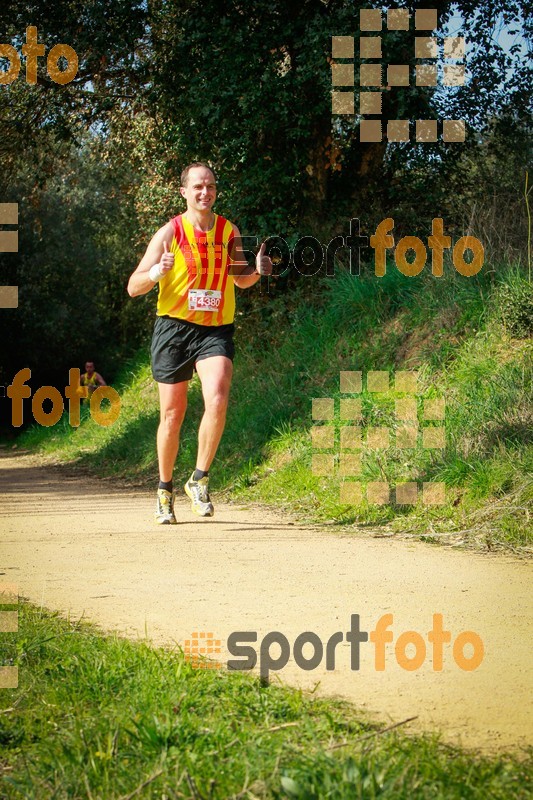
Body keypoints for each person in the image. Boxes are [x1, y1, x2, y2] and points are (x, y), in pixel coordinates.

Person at [127, 162, 272, 524]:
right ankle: (164, 489)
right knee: (172, 415)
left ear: (215, 191)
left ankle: (200, 479)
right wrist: (158, 271)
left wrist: (258, 271)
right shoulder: (170, 232)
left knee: (218, 398)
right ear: (184, 192)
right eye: (197, 187)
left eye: (209, 186)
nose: (204, 192)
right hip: (174, 329)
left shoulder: (228, 231)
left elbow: (240, 279)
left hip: (214, 329)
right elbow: (134, 286)